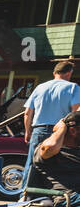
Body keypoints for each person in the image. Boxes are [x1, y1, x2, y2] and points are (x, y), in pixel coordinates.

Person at [22, 60, 80, 193]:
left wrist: (27, 131)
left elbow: (27, 113)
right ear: (69, 73)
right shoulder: (73, 87)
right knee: (57, 165)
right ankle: (50, 195)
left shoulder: (40, 87)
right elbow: (76, 112)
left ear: (54, 73)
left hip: (39, 129)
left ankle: (26, 194)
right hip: (61, 132)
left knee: (32, 162)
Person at [33, 110, 80, 207]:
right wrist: (61, 128)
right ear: (73, 130)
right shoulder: (49, 150)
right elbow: (51, 146)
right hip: (68, 200)